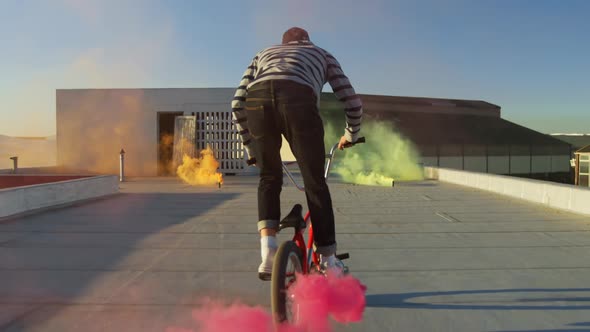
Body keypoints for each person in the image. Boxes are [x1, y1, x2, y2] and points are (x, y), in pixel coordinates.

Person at [231, 27, 363, 280]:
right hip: (298, 100)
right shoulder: (321, 54)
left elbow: (237, 103)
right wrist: (351, 135)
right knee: (315, 184)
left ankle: (268, 251)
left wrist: (251, 150)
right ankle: (328, 260)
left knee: (269, 177)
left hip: (257, 101)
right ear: (307, 40)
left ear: (282, 43)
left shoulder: (263, 54)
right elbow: (352, 101)